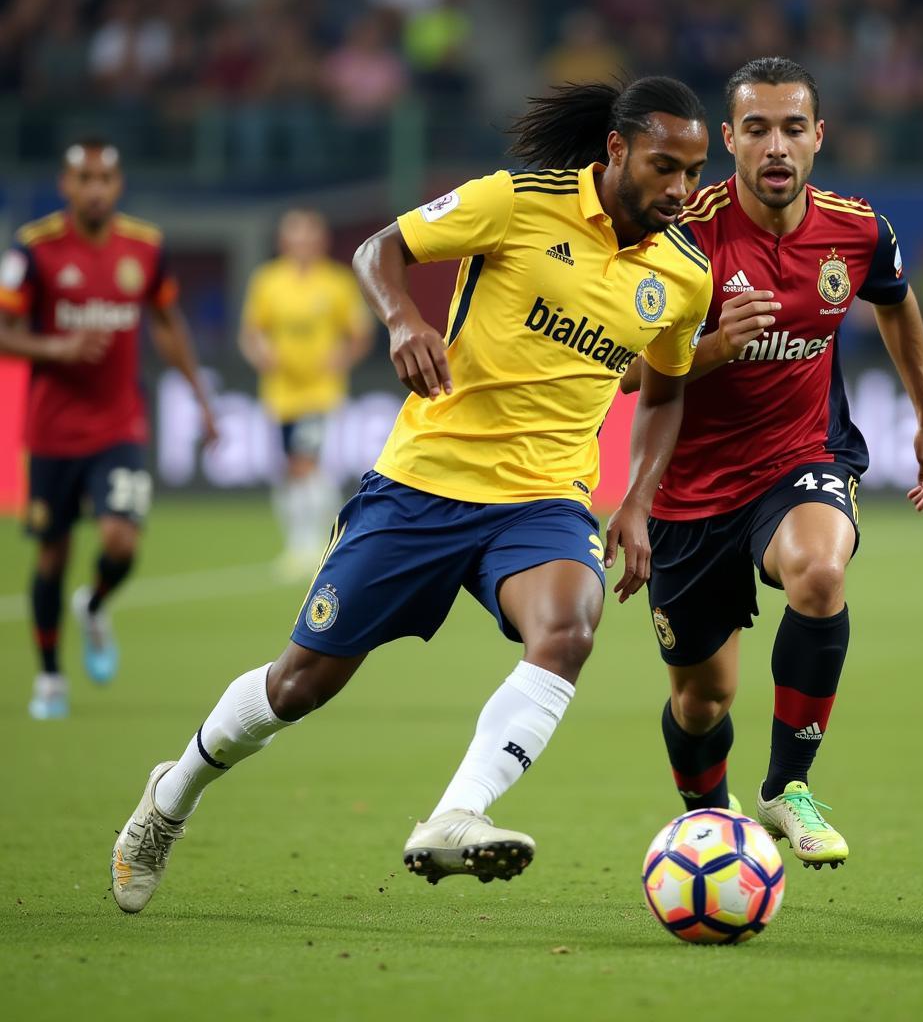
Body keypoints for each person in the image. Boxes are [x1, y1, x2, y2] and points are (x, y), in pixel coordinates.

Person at [108, 76, 714, 914]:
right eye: (664, 167)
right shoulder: (515, 202)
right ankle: (169, 799)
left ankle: (455, 813)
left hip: (543, 498)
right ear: (616, 151)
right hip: (421, 485)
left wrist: (639, 499)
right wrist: (402, 319)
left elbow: (665, 391)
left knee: (570, 627)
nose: (681, 190)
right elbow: (377, 250)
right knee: (299, 687)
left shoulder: (684, 274)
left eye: (692, 171)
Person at [620, 57, 923, 869]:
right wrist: (711, 347)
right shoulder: (681, 233)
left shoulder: (858, 229)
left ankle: (787, 787)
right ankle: (710, 822)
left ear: (818, 137)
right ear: (729, 139)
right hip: (690, 491)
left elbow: (896, 302)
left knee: (820, 572)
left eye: (793, 128)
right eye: (757, 129)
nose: (776, 147)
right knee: (702, 704)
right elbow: (624, 369)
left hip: (800, 459)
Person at [0, 139, 217, 720]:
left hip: (120, 424)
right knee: (52, 554)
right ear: (65, 186)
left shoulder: (144, 249)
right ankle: (49, 677)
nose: (95, 189)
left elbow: (168, 323)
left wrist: (201, 398)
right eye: (84, 178)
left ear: (118, 187)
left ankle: (93, 604)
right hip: (50, 432)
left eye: (105, 179)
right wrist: (59, 346)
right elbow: (4, 329)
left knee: (121, 540)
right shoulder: (34, 249)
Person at [239, 208, 373, 578]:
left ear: (320, 241)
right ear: (283, 242)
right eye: (294, 237)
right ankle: (303, 542)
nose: (301, 244)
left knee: (304, 461)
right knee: (291, 468)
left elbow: (360, 333)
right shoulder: (267, 281)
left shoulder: (336, 283)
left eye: (308, 236)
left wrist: (340, 357)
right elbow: (252, 332)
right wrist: (260, 353)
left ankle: (310, 544)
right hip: (281, 390)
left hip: (320, 391)